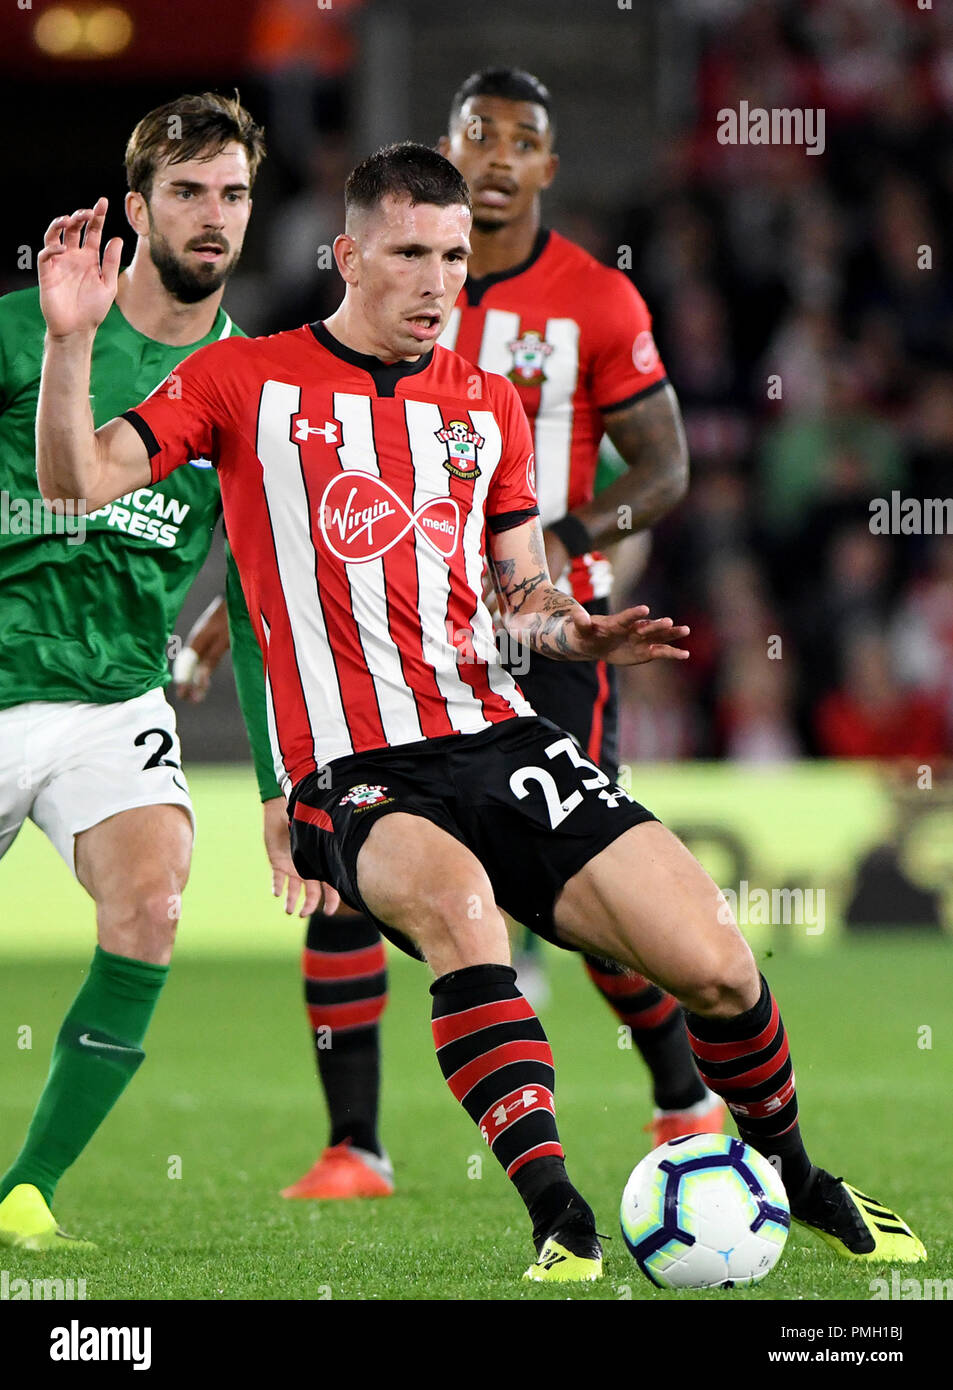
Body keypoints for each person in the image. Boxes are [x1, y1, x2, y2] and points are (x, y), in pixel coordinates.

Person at [34, 143, 926, 1281]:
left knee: (713, 963)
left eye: (453, 257)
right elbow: (75, 483)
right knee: (464, 914)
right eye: (408, 254)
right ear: (348, 255)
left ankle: (797, 1174)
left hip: (495, 731)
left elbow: (520, 593)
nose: (436, 281)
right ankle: (558, 1214)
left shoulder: (484, 403)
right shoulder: (239, 379)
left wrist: (572, 625)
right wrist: (71, 346)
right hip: (350, 770)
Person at [281, 67, 723, 1203]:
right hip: (396, 628)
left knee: (593, 902)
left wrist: (557, 541)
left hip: (541, 627)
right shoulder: (399, 276)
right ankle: (354, 1146)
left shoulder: (597, 302)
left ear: (546, 169)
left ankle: (682, 1098)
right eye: (475, 133)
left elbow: (667, 467)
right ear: (444, 146)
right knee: (344, 862)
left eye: (519, 140)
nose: (493, 156)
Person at [0, 92, 307, 1253]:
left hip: (111, 696)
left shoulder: (255, 390)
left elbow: (266, 608)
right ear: (135, 209)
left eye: (232, 194)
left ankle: (26, 1190)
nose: (213, 216)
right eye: (186, 192)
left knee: (152, 902)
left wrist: (279, 790)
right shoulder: (23, 330)